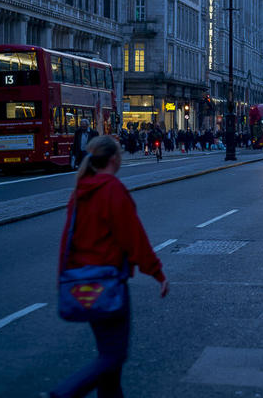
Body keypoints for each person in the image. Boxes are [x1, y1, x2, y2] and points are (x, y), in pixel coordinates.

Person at [48, 136, 169, 398]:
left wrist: (63, 278)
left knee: (108, 361)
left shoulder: (80, 191)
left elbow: (67, 239)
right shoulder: (112, 189)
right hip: (109, 283)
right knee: (114, 356)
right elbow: (133, 237)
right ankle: (63, 393)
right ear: (114, 159)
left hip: (82, 282)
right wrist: (157, 272)